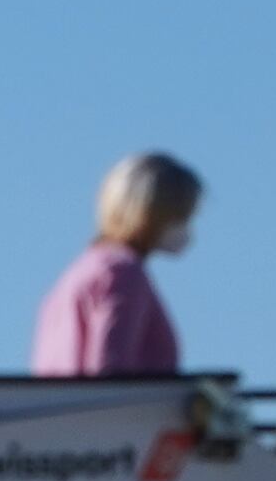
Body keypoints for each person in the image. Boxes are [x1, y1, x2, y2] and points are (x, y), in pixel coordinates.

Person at [31, 152, 200, 378]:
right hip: (114, 412)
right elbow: (109, 372)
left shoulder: (78, 272)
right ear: (152, 213)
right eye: (182, 216)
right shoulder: (122, 272)